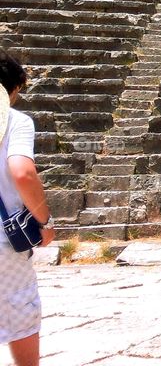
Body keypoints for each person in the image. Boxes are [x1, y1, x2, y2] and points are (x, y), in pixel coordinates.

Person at [0, 52, 54, 366]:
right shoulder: (15, 121)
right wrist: (43, 222)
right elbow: (22, 172)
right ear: (14, 87)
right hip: (4, 246)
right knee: (20, 311)